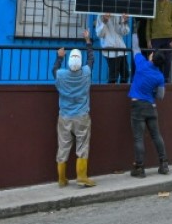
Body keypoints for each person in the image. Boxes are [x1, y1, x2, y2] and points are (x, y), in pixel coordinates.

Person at [52, 30, 96, 188]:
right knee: (82, 145)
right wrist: (88, 41)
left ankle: (62, 179)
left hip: (64, 116)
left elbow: (54, 70)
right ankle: (82, 176)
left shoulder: (62, 75)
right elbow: (91, 59)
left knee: (63, 146)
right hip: (82, 116)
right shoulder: (86, 73)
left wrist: (59, 57)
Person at [128, 42, 169, 178]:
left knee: (139, 137)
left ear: (151, 57)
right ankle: (164, 164)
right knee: (156, 135)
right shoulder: (159, 76)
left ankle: (139, 167)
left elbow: (135, 48)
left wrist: (134, 33)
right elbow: (161, 96)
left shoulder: (142, 65)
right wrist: (152, 92)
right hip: (151, 107)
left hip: (138, 106)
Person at [147, 0, 172, 82]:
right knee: (156, 59)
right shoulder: (153, 4)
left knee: (167, 60)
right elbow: (149, 23)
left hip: (168, 36)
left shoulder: (171, 5)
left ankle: (166, 79)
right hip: (156, 37)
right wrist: (148, 39)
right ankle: (157, 78)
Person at [95, 13, 130, 84]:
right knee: (113, 76)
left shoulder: (119, 14)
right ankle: (110, 93)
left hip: (121, 49)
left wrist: (125, 21)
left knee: (125, 74)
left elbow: (124, 32)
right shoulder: (100, 15)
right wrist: (104, 21)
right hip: (110, 51)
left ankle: (122, 93)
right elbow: (100, 34)